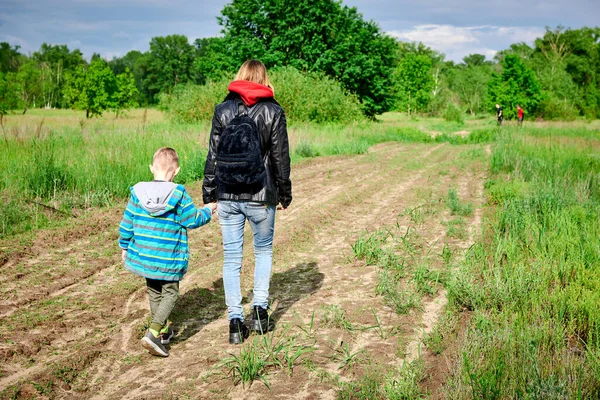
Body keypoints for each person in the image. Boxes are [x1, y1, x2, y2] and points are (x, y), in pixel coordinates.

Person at [202, 60, 292, 344]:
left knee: (231, 258)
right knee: (263, 252)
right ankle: (261, 313)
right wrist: (284, 193)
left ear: (239, 78)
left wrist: (209, 193)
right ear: (264, 79)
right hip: (260, 195)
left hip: (228, 195)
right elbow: (280, 157)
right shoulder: (273, 111)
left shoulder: (222, 109)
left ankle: (234, 323)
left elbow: (214, 155)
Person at [119, 147, 216, 357]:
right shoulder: (179, 194)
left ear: (152, 168)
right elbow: (192, 219)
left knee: (154, 290)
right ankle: (153, 332)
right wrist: (208, 211)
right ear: (177, 170)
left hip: (146, 255)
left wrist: (124, 245)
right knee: (170, 292)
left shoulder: (138, 193)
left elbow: (127, 222)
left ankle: (163, 332)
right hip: (168, 257)